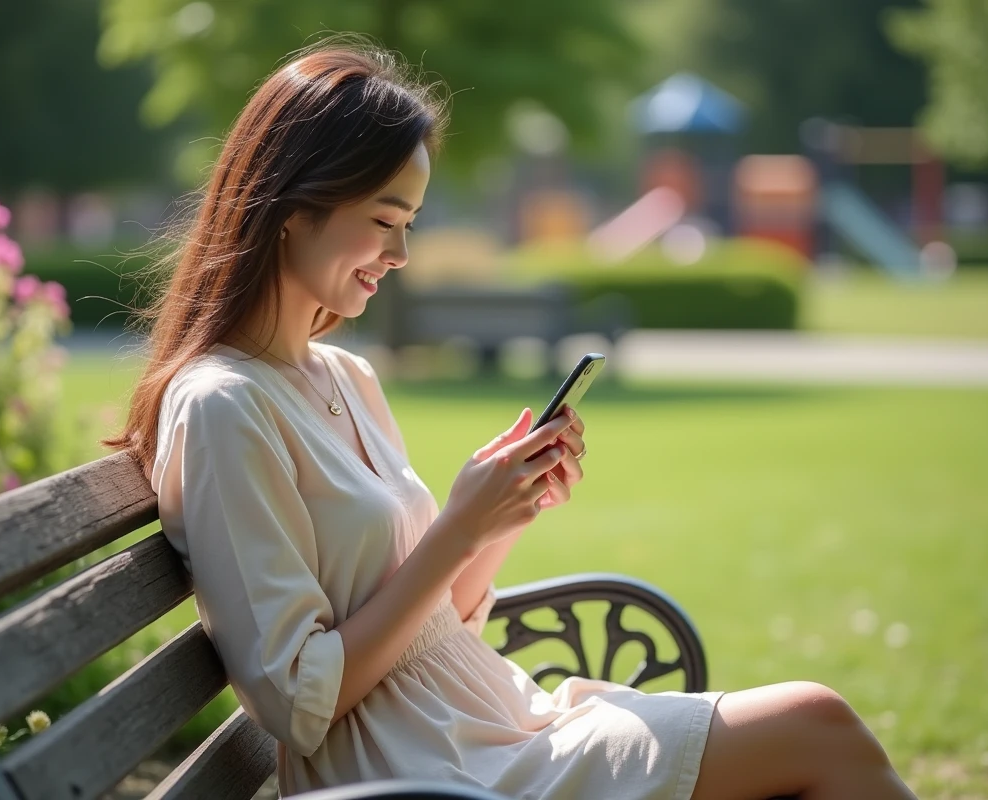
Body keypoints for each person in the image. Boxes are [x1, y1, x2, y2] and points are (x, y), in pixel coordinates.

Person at [106, 39, 917, 800]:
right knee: (817, 724)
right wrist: (458, 525)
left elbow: (431, 617)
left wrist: (501, 516)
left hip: (488, 723)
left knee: (810, 735)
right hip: (413, 771)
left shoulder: (342, 375)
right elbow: (298, 702)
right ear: (293, 207)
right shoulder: (223, 406)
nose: (400, 254)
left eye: (410, 225)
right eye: (384, 221)